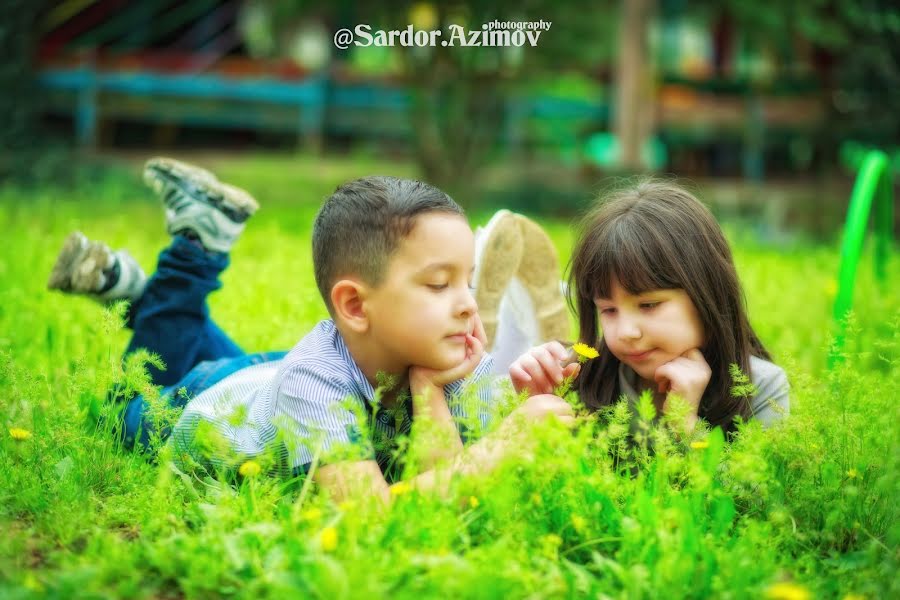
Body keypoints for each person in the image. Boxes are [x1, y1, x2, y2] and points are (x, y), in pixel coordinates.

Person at [48, 158, 574, 504]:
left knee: (248, 362)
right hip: (203, 404)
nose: (467, 305)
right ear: (354, 304)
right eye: (439, 284)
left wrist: (431, 391)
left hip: (272, 375)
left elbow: (448, 495)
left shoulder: (450, 360)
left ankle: (140, 289)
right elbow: (364, 516)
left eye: (469, 282)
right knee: (121, 405)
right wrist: (498, 450)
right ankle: (186, 260)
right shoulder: (315, 379)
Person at [507, 181, 789, 436]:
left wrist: (686, 426)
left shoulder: (760, 389)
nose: (626, 332)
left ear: (708, 292)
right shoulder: (583, 378)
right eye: (608, 310)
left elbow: (752, 494)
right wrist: (537, 406)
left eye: (649, 305)